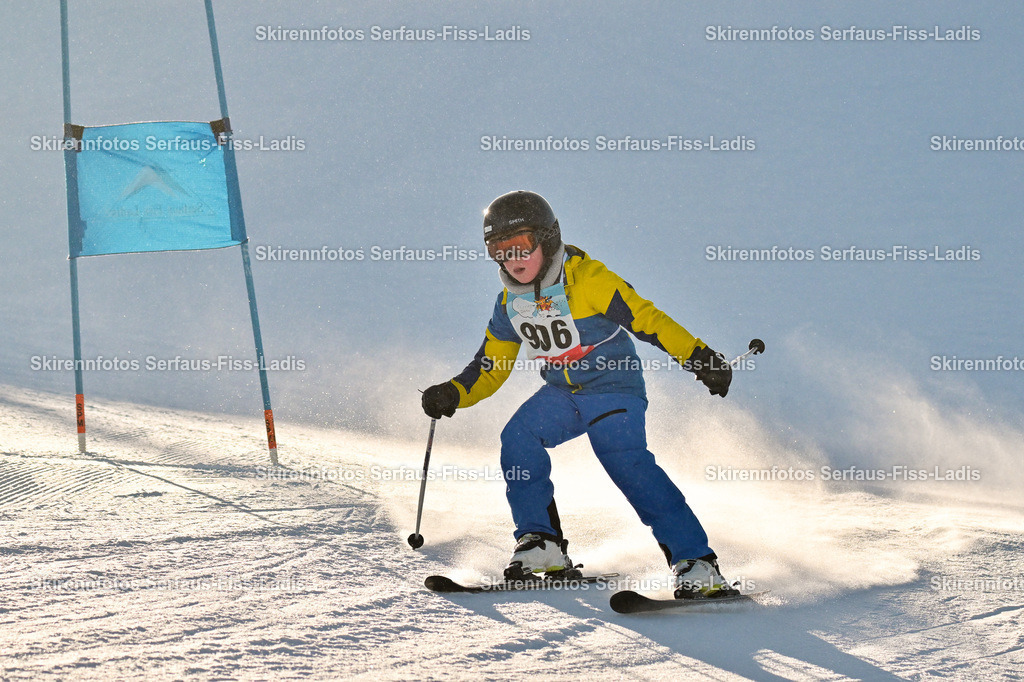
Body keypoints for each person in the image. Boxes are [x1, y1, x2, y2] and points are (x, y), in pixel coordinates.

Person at [421, 190, 738, 598]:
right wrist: (453, 393)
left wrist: (699, 357)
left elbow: (648, 320)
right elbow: (491, 367)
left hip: (613, 391)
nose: (510, 261)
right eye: (498, 251)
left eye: (518, 246)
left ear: (547, 239)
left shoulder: (588, 280)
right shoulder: (510, 304)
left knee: (625, 460)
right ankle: (542, 544)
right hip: (563, 395)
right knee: (518, 437)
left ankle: (696, 563)